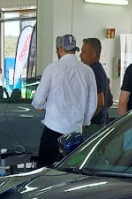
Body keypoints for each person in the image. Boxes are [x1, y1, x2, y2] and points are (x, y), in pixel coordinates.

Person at [31, 34, 97, 167]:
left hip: (53, 130)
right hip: (75, 133)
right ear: (75, 50)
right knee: (72, 173)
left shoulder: (52, 68)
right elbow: (92, 104)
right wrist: (83, 122)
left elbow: (38, 100)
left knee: (44, 171)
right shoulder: (88, 71)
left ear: (60, 49)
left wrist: (44, 105)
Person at [80, 37, 112, 129]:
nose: (80, 55)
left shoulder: (94, 71)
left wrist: (86, 121)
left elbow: (100, 102)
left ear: (93, 54)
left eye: (84, 52)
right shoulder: (97, 69)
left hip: (93, 125)